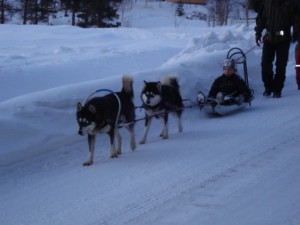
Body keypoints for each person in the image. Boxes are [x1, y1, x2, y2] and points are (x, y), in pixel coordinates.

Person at [255, 0, 299, 98]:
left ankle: (277, 89)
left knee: (281, 65)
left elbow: (296, 19)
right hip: (269, 38)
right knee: (265, 64)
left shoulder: (289, 3)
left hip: (283, 38)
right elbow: (261, 19)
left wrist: (296, 32)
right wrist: (258, 33)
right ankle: (268, 87)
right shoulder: (267, 3)